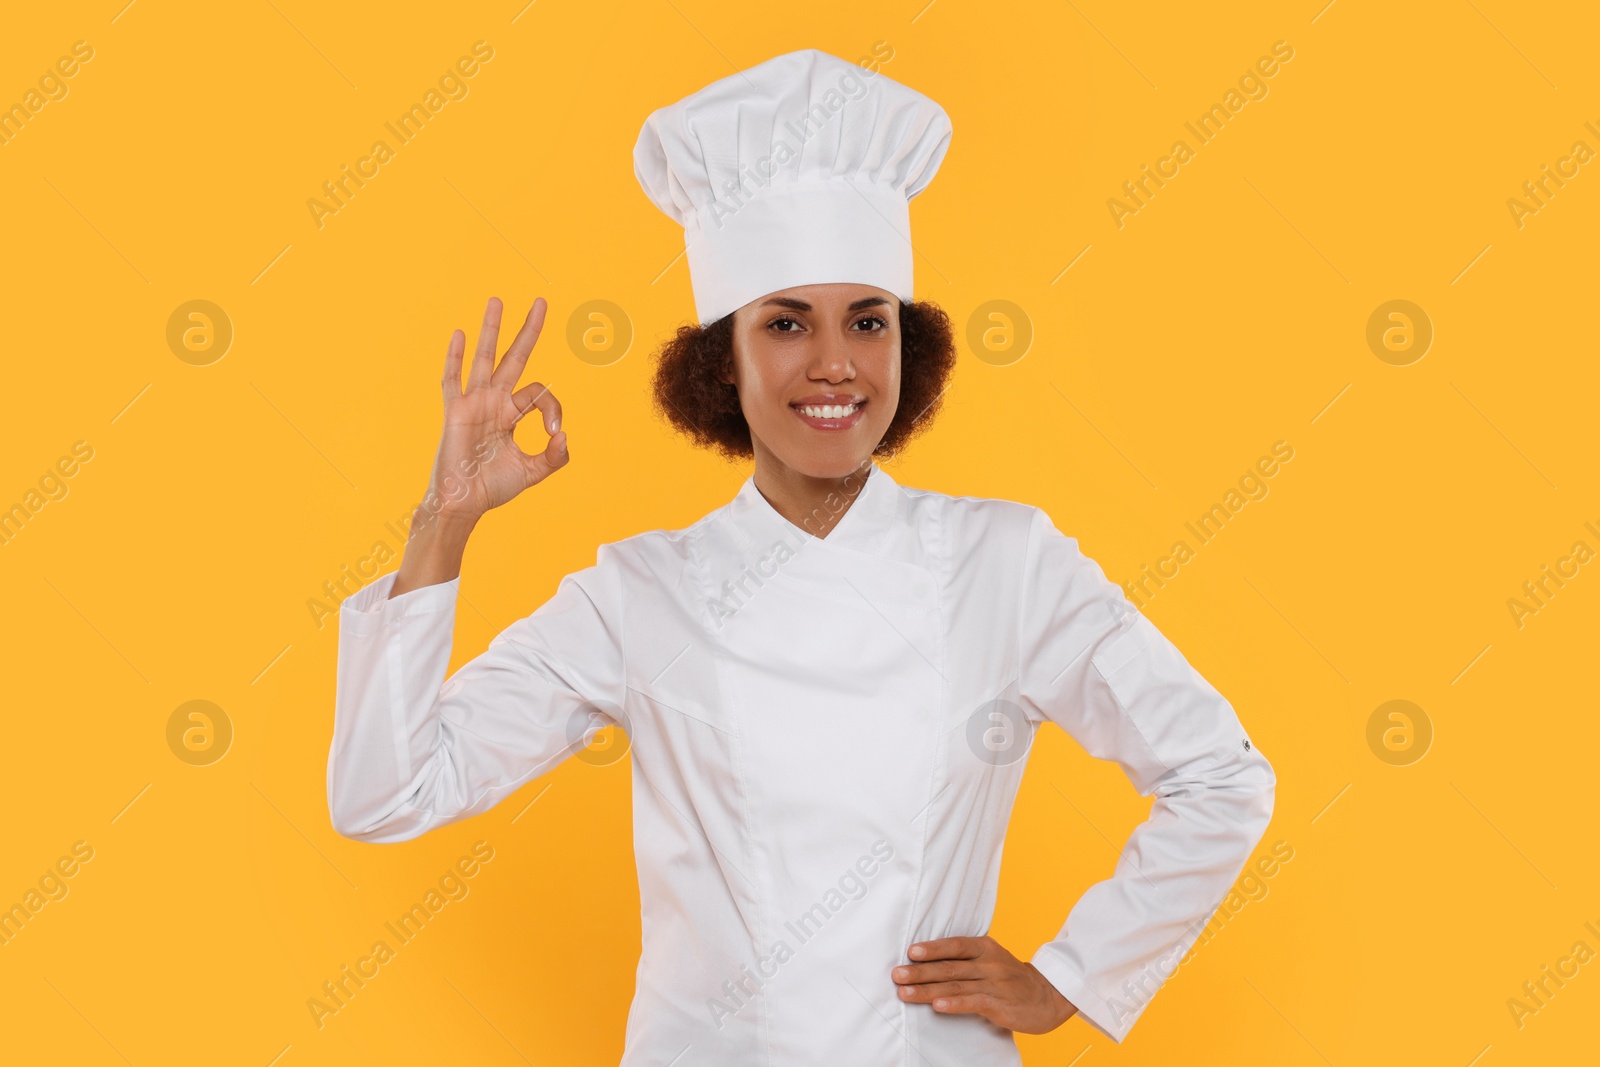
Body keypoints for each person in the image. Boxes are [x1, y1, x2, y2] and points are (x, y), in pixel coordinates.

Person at [328, 49, 1274, 1065]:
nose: (833, 362)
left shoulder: (1006, 560)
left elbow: (1221, 774)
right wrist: (446, 517)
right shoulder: (639, 592)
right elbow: (388, 793)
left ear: (907, 347)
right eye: (785, 324)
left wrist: (1074, 977)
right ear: (720, 363)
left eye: (867, 321)